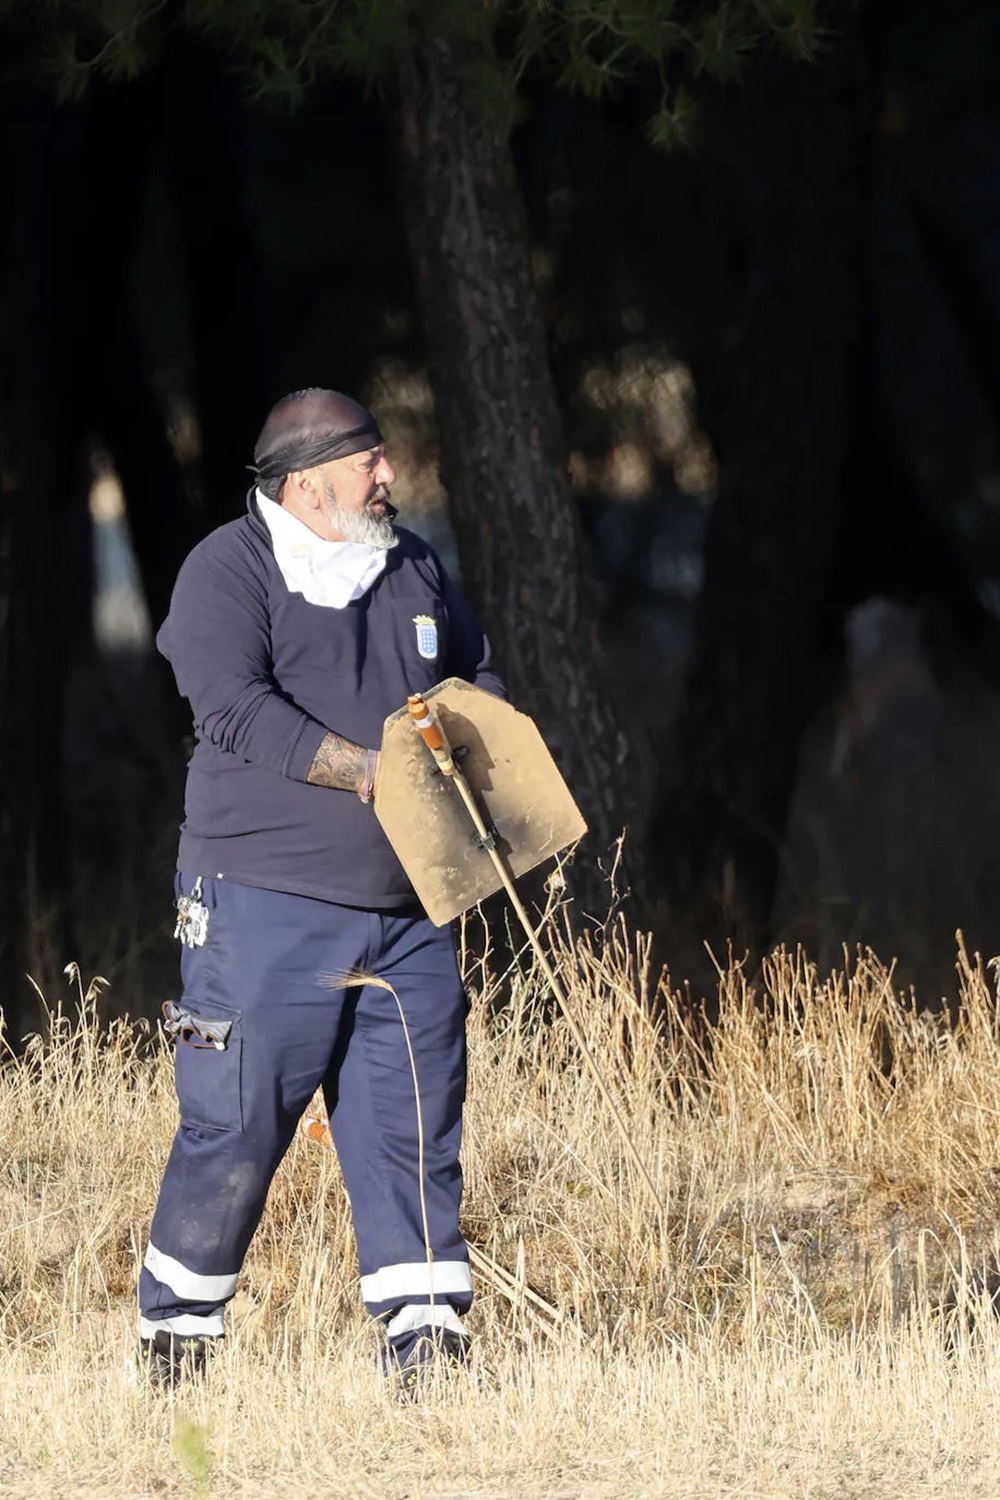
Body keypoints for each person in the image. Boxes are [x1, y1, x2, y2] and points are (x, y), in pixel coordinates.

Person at [138, 387, 505, 1385]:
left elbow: (474, 673)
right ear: (306, 481)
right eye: (367, 460)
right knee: (236, 1123)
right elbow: (232, 711)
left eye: (383, 459)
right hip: (262, 903)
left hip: (411, 913)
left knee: (414, 1128)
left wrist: (485, 749)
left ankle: (426, 1350)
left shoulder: (413, 565)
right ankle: (176, 1342)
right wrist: (369, 770)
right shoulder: (227, 569)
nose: (387, 474)